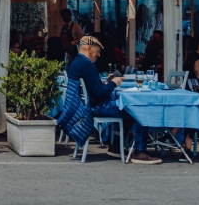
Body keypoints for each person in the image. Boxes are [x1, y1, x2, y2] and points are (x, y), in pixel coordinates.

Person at [68, 35, 160, 164]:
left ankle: (116, 146)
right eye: (98, 51)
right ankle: (139, 152)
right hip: (97, 107)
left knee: (129, 109)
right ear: (89, 48)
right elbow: (100, 93)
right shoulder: (86, 65)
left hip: (87, 106)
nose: (99, 54)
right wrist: (114, 83)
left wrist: (106, 83)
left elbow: (95, 89)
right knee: (140, 109)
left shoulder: (77, 63)